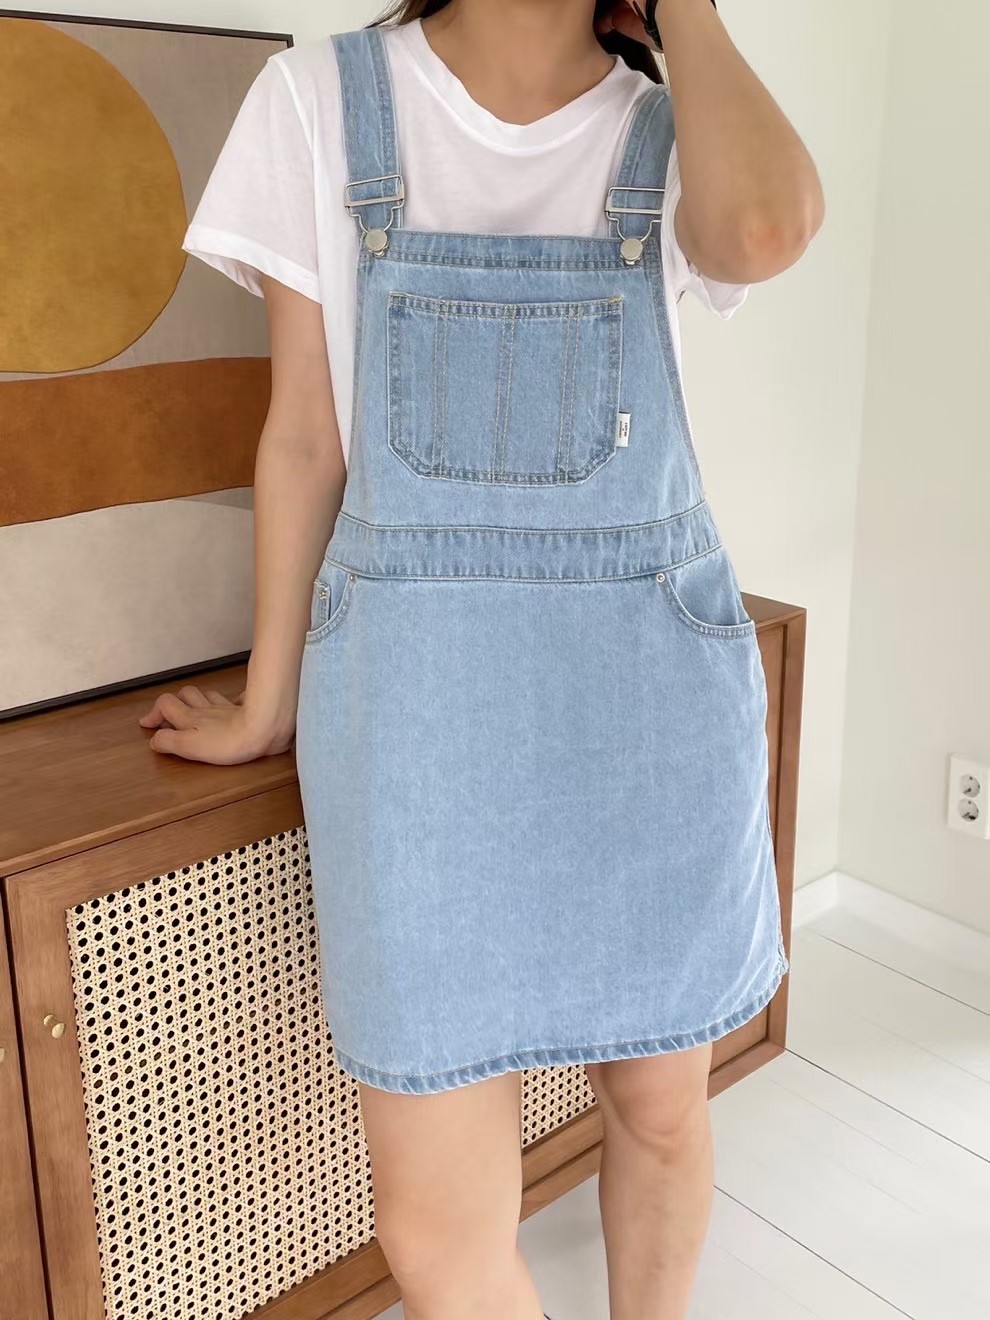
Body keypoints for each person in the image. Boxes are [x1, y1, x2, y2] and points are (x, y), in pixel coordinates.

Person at [139, 2, 823, 1316]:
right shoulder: (320, 102)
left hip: (645, 703)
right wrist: (272, 702)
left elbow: (759, 232)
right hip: (416, 718)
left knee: (661, 1111)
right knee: (435, 1223)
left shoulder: (668, 122)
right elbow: (304, 438)